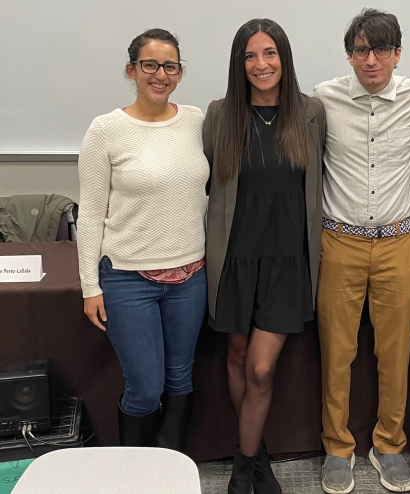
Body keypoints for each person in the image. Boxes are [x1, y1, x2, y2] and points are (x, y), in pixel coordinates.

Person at [203, 18, 326, 494]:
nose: (261, 64)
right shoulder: (220, 116)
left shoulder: (311, 114)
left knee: (260, 367)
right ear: (239, 63)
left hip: (288, 259)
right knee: (236, 356)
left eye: (269, 53)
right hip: (234, 257)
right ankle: (257, 457)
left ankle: (241, 468)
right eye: (250, 56)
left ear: (284, 58)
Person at [312, 8, 410, 494]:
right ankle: (337, 448)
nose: (372, 59)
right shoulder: (323, 98)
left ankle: (389, 444)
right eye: (361, 49)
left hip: (400, 243)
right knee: (336, 353)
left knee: (394, 354)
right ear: (349, 54)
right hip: (340, 243)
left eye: (382, 49)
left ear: (398, 53)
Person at [77, 29, 208, 451]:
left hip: (191, 276)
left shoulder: (197, 122)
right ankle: (137, 469)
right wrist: (89, 286)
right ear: (131, 70)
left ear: (180, 73)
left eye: (170, 66)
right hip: (127, 280)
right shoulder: (106, 130)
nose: (160, 74)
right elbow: (91, 213)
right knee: (146, 388)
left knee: (179, 378)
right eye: (149, 65)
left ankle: (170, 464)